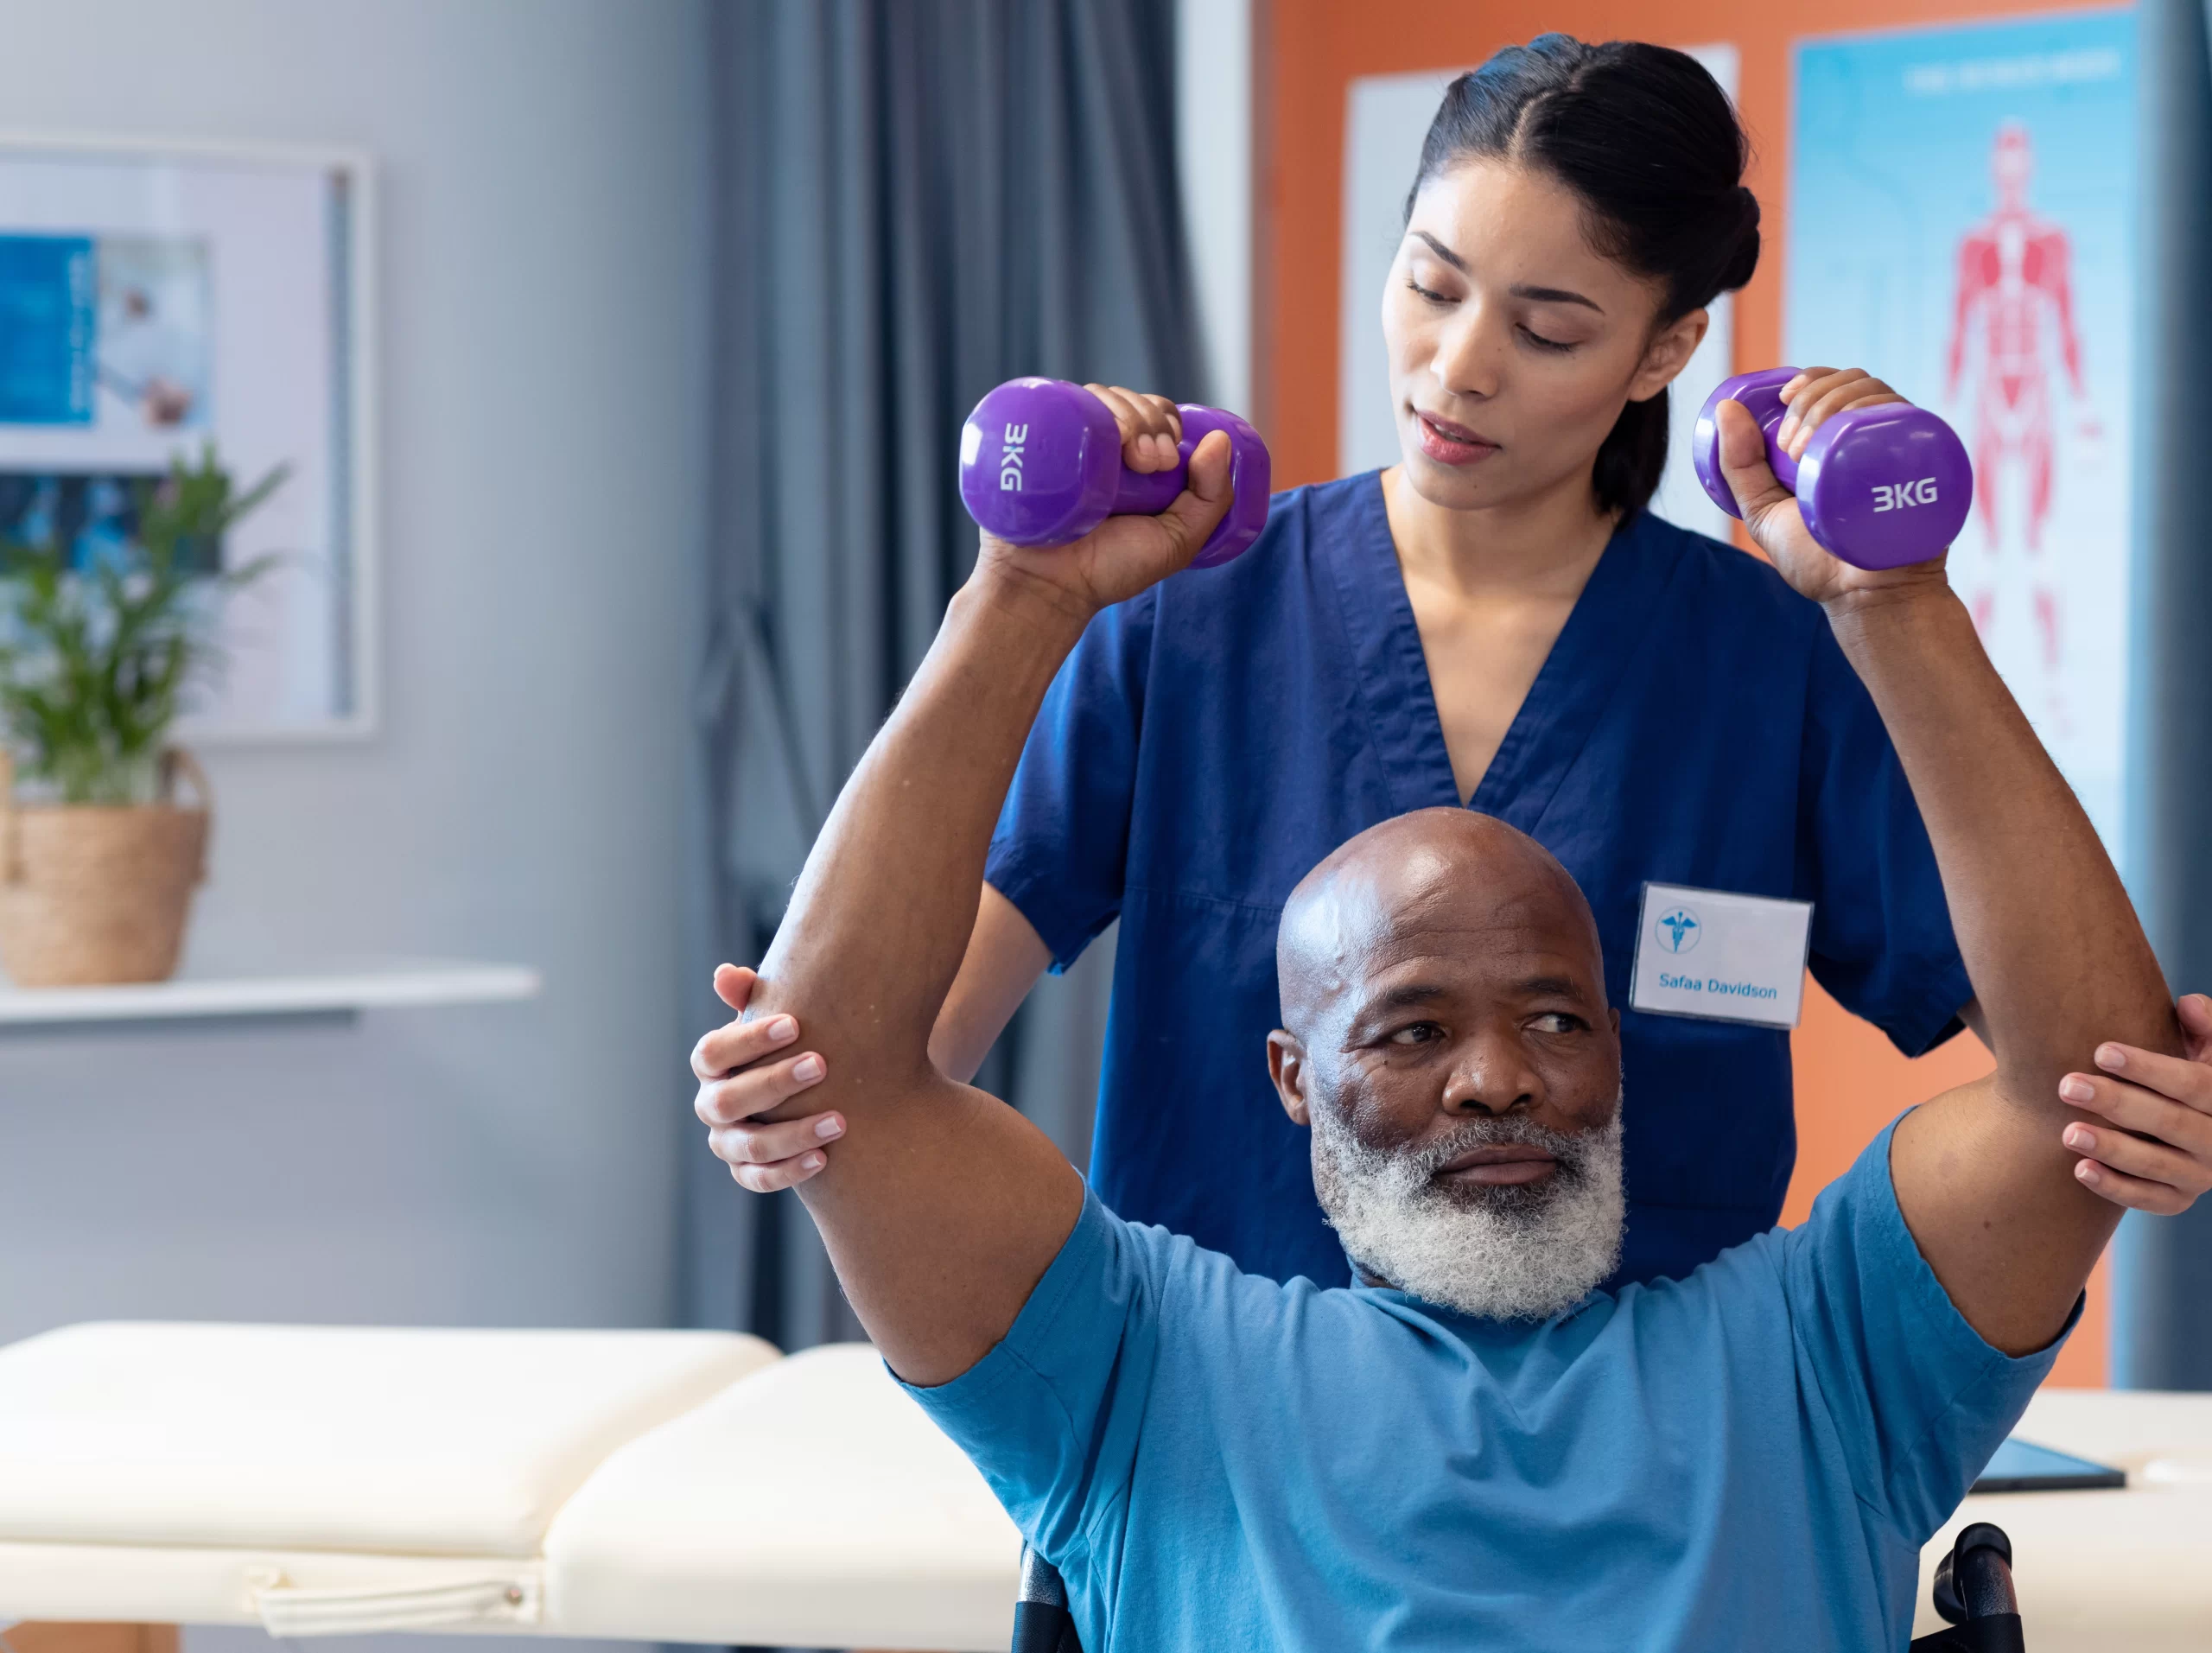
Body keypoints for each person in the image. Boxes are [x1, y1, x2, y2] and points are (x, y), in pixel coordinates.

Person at [690, 371, 2200, 1647]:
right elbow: (843, 1084)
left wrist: (1899, 604)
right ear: (1291, 1078)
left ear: (1621, 1058)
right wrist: (1019, 592)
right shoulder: (1142, 1372)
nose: (1499, 1080)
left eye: (1556, 1022)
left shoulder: (1819, 1363)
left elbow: (2088, 1087)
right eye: (1412, 1031)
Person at [708, 35, 2204, 1292]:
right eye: (1432, 283)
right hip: (1230, 1444)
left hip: (1645, 1457)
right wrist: (788, 1084)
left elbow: (2084, 1073)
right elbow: (883, 1049)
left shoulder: (1771, 659)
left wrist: (1903, 601)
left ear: (1664, 350)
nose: (1460, 365)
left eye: (1549, 328)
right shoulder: (1187, 620)